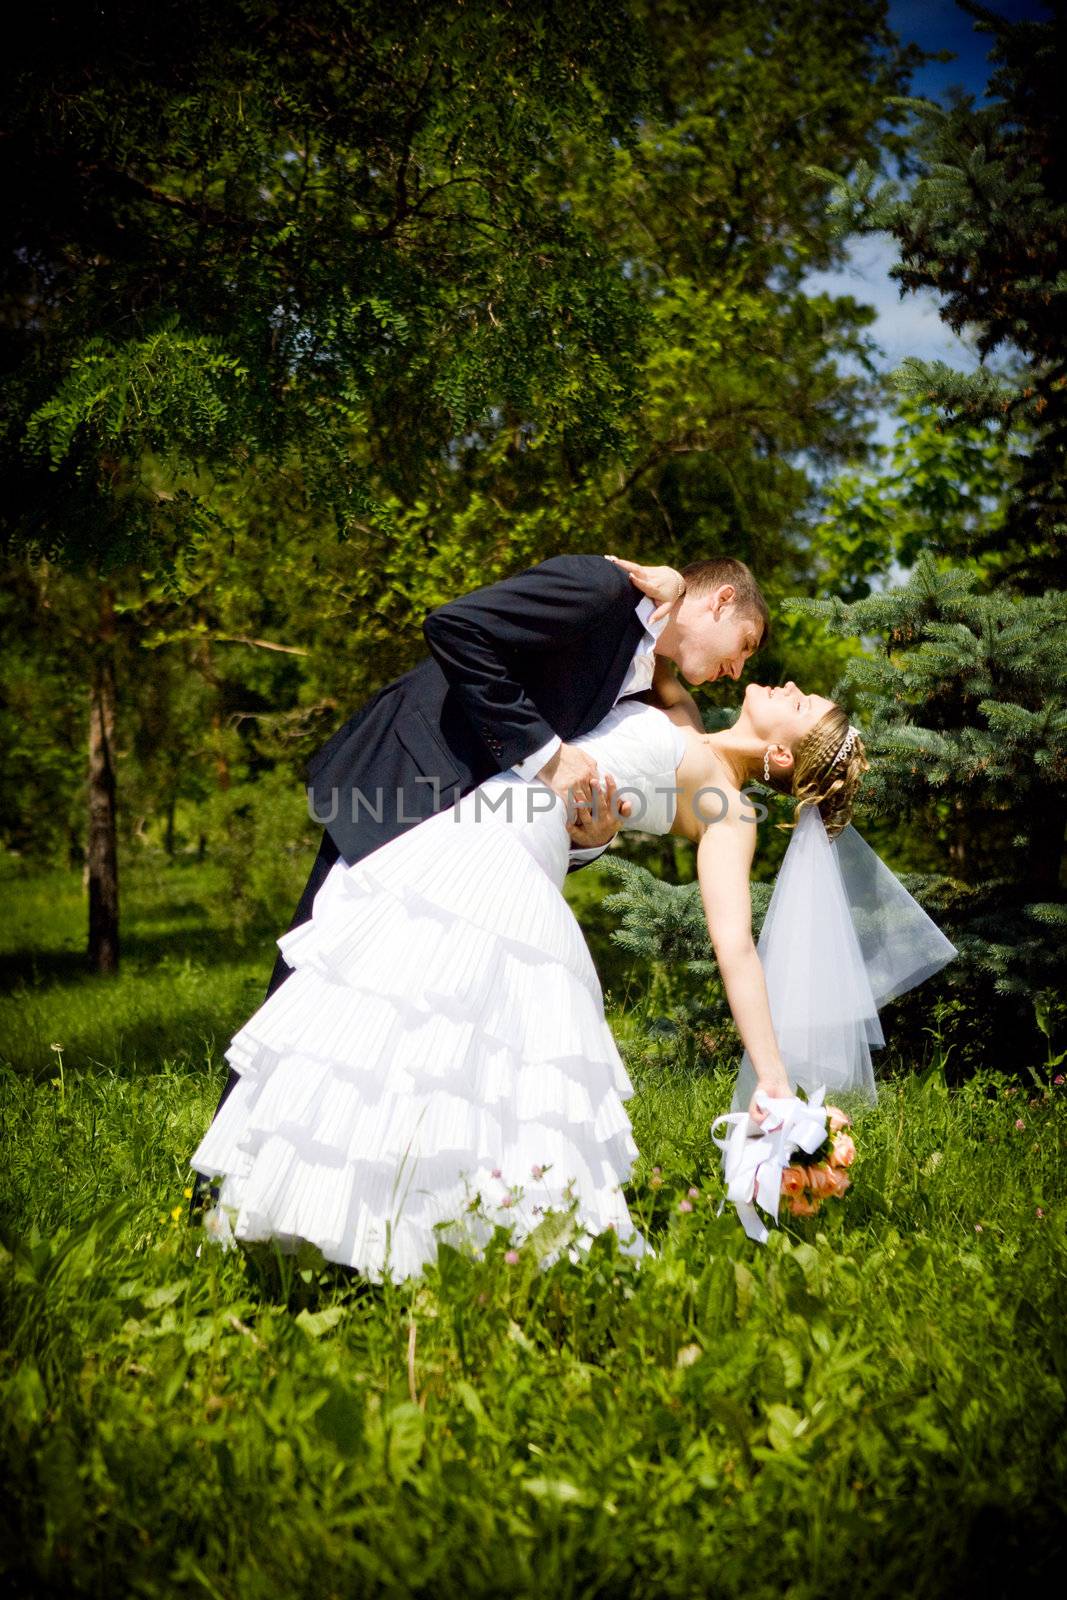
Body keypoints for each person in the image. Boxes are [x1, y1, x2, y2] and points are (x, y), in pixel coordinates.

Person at [190, 660, 952, 1280]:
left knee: (454, 1054)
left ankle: (409, 1235)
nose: (788, 683)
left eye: (801, 701)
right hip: (469, 825)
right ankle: (344, 1211)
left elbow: (734, 944)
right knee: (398, 1031)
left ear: (780, 756)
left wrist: (772, 1077)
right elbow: (660, 628)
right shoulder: (680, 713)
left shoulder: (729, 807)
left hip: (508, 863)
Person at [191, 551, 770, 1205]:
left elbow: (589, 774)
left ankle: (361, 1190)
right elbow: (455, 627)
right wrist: (549, 756)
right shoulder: (602, 587)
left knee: (384, 1011)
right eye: (743, 645)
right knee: (311, 972)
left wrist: (595, 831)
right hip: (406, 780)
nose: (738, 669)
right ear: (720, 601)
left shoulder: (637, 673)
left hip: (463, 821)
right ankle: (221, 1182)